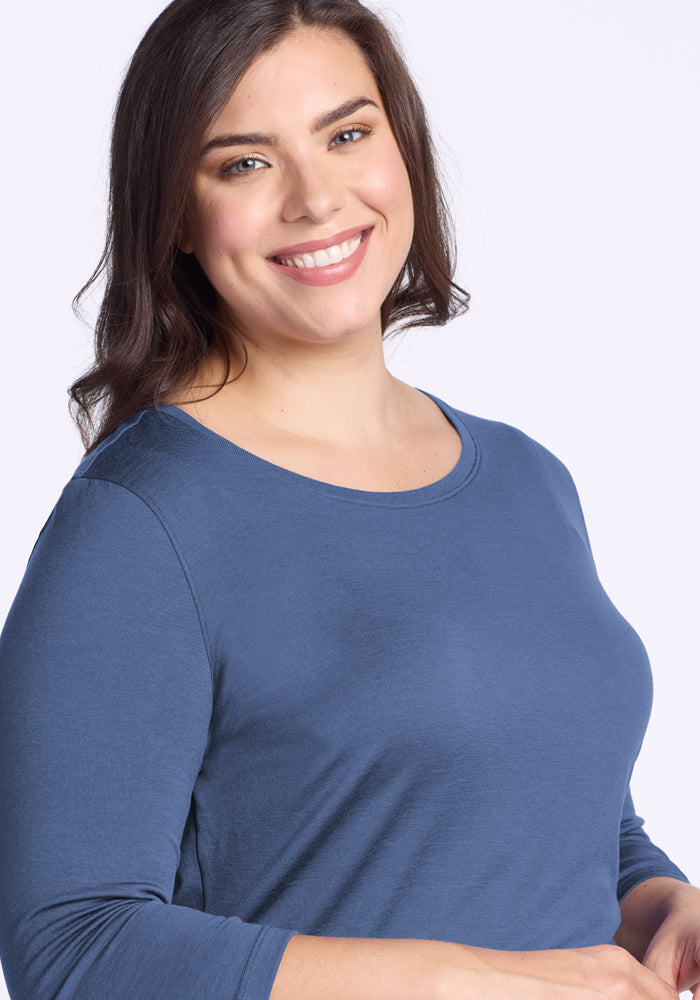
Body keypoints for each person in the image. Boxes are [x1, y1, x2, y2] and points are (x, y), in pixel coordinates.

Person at [0, 1, 698, 999]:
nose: (316, 197)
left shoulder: (528, 481)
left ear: (399, 147)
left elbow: (554, 814)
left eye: (347, 134)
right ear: (176, 216)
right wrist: (468, 981)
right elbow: (72, 945)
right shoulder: (140, 520)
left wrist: (661, 900)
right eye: (243, 161)